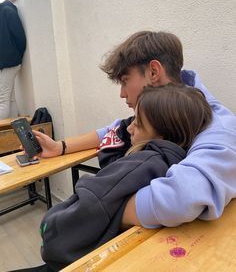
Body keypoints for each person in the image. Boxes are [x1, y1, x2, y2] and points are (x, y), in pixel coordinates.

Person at [34, 31, 236, 230]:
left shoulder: (218, 130)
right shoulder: (167, 107)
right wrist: (59, 147)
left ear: (154, 72)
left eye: (124, 81)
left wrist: (97, 214)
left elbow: (182, 199)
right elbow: (112, 130)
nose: (122, 93)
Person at [38, 83, 212, 271]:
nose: (129, 128)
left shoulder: (142, 163)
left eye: (138, 123)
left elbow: (90, 204)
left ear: (162, 134)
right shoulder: (177, 160)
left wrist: (47, 227)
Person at [0, 0, 26, 119]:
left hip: (10, 63)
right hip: (7, 63)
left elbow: (21, 38)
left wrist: (15, 56)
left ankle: (3, 131)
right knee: (10, 98)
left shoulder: (7, 11)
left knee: (2, 99)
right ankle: (11, 128)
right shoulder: (5, 11)